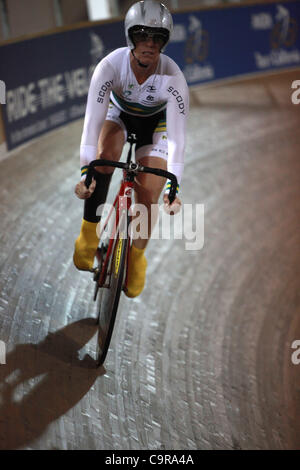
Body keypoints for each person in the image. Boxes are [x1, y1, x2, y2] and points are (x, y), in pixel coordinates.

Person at [73, 0, 189, 298]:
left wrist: (173, 188)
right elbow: (90, 126)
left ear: (165, 42)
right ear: (130, 37)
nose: (149, 44)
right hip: (119, 116)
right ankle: (88, 236)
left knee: (148, 192)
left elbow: (177, 140)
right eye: (142, 35)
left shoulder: (174, 78)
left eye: (157, 38)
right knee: (105, 158)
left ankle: (136, 257)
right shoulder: (110, 67)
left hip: (156, 127)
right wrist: (87, 170)